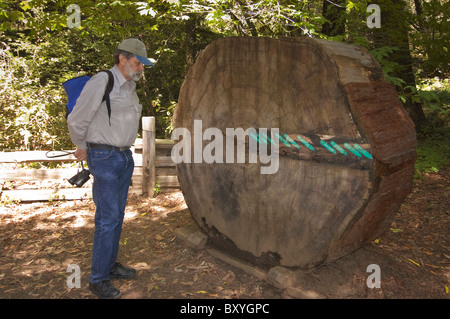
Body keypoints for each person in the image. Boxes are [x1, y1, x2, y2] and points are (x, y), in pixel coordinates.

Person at [67, 38, 153, 299]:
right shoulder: (102, 81)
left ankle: (110, 265)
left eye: (142, 65)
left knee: (117, 216)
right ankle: (98, 278)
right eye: (138, 63)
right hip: (104, 157)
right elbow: (77, 118)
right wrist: (82, 145)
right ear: (123, 59)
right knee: (107, 218)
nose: (141, 69)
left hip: (124, 157)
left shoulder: (129, 87)